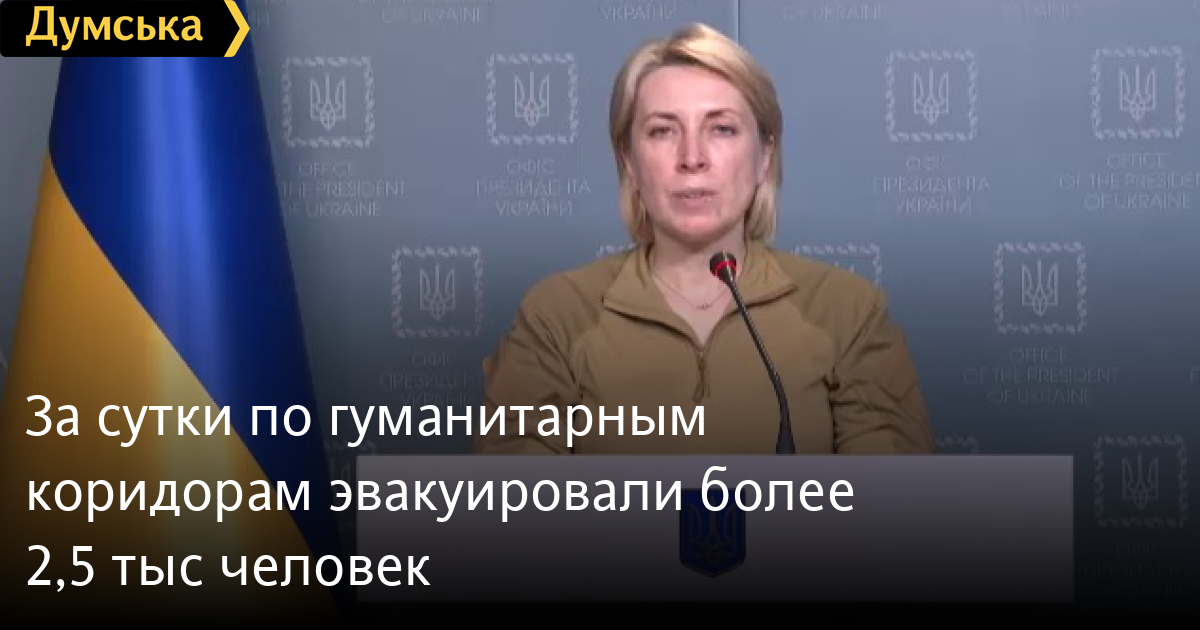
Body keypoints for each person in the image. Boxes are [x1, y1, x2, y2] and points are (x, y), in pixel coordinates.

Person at [474, 23, 935, 455]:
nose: (692, 157)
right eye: (662, 131)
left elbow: (896, 503)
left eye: (721, 129)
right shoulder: (556, 316)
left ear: (764, 155)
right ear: (629, 160)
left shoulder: (847, 311)